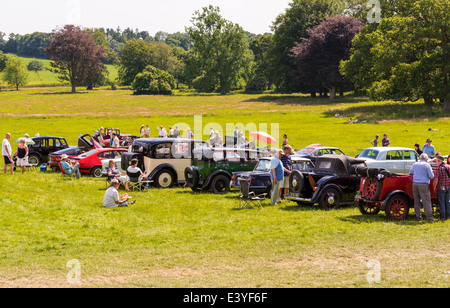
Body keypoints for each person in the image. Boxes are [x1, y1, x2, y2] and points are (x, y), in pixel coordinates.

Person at [409, 153, 435, 222]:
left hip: (415, 184)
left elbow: (410, 173)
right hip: (423, 184)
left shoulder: (415, 164)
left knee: (416, 201)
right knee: (426, 201)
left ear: (420, 158)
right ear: (426, 159)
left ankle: (418, 217)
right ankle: (429, 218)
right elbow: (431, 176)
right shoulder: (427, 165)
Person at [433, 155, 450, 221]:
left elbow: (436, 179)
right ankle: (448, 216)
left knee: (442, 202)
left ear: (439, 161)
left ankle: (443, 217)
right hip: (448, 187)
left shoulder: (438, 168)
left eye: (436, 160)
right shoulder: (449, 166)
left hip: (441, 187)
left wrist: (434, 186)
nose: (436, 162)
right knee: (448, 202)